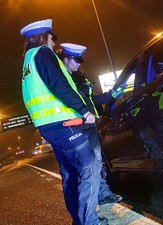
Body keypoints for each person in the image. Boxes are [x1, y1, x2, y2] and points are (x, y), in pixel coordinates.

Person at [20, 19, 107, 225]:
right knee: (90, 168)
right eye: (53, 37)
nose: (54, 43)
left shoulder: (28, 60)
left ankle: (80, 220)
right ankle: (88, 222)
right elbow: (59, 85)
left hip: (48, 126)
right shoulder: (42, 53)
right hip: (63, 123)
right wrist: (84, 111)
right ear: (44, 37)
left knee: (69, 173)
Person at [56, 43, 123, 205]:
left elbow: (93, 100)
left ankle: (101, 194)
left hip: (90, 126)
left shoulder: (80, 78)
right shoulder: (60, 80)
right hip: (76, 128)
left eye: (81, 60)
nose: (79, 63)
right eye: (76, 59)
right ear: (65, 59)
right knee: (86, 167)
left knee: (97, 162)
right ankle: (90, 204)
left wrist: (113, 94)